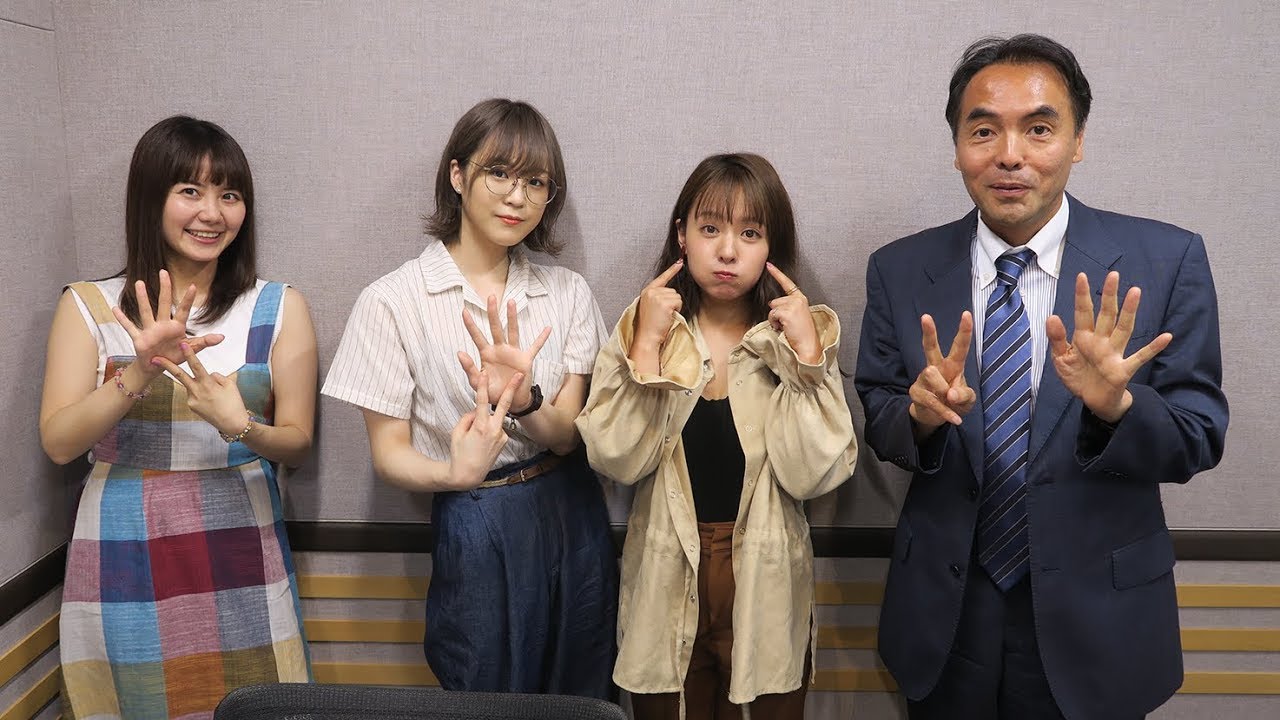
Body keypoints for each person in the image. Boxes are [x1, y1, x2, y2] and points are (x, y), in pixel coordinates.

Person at [855, 34, 1228, 720]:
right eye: (983, 130)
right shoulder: (899, 270)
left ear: (1077, 141)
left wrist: (1117, 409)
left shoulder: (1166, 260)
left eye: (1039, 128)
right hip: (947, 614)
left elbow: (1200, 434)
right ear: (958, 145)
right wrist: (918, 419)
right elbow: (878, 410)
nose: (1009, 154)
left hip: (1100, 617)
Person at [322, 98, 618, 698]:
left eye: (536, 182)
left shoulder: (568, 292)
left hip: (572, 507)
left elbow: (570, 436)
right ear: (457, 175)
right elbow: (389, 453)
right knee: (482, 689)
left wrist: (527, 401)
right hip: (476, 514)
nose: (517, 197)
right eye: (499, 173)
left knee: (583, 690)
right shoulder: (393, 300)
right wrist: (454, 473)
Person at [40, 115, 316, 719]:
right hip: (123, 541)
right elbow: (59, 443)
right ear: (151, 198)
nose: (212, 213)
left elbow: (298, 444)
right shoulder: (91, 305)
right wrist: (138, 373)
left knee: (256, 702)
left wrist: (241, 426)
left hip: (240, 536)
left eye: (230, 194)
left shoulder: (278, 305)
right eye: (190, 190)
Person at [577, 153, 858, 719]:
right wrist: (646, 348)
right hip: (664, 571)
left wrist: (807, 360)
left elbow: (815, 475)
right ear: (682, 235)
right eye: (710, 229)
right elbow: (615, 459)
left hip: (766, 575)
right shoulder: (644, 329)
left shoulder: (795, 338)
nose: (728, 251)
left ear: (772, 246)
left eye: (750, 233)